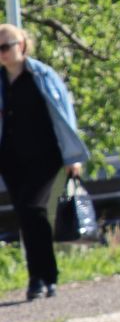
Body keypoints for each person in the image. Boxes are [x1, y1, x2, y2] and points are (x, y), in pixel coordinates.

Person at [0, 25, 88, 301]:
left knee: (31, 208)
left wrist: (72, 158)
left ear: (22, 45)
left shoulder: (42, 75)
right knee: (27, 214)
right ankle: (43, 277)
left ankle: (40, 278)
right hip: (10, 158)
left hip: (45, 155)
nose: (1, 53)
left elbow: (64, 113)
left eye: (5, 46)